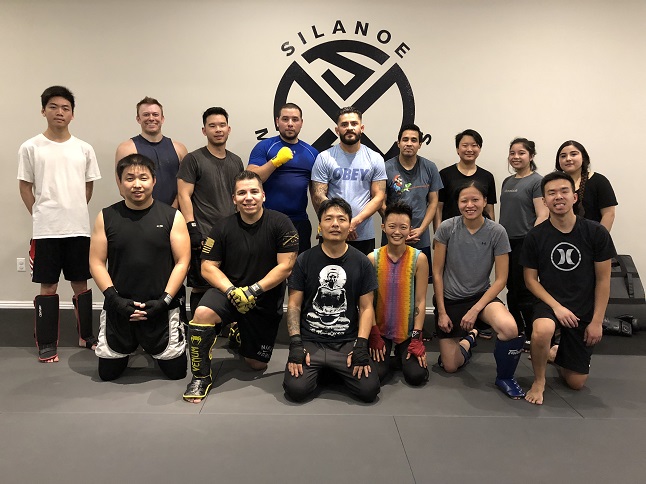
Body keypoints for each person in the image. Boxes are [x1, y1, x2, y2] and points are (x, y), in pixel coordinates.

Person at [183, 171, 299, 403]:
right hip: (230, 294)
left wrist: (253, 290)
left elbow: (286, 266)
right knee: (202, 313)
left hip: (264, 299)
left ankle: (238, 332)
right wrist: (231, 291)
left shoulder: (281, 223)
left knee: (257, 365)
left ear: (263, 195)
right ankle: (200, 377)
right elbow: (207, 267)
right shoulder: (222, 227)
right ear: (234, 199)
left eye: (254, 191)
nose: (249, 197)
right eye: (242, 193)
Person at [18, 86, 102, 362]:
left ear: (72, 114)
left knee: (81, 283)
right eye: (53, 107)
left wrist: (73, 210)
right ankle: (46, 343)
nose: (59, 112)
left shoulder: (84, 148)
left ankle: (86, 336)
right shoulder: (31, 147)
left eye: (65, 108)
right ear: (43, 110)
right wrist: (40, 214)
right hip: (46, 230)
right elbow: (25, 187)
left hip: (77, 227)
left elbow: (87, 188)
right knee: (48, 287)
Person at [89, 154, 190, 381]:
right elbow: (96, 263)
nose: (137, 184)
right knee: (108, 374)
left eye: (143, 178)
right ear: (120, 182)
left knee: (176, 374)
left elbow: (182, 262)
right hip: (119, 307)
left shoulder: (172, 216)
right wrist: (115, 300)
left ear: (153, 181)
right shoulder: (106, 217)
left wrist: (164, 301)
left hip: (161, 307)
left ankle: (157, 346)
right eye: (129, 178)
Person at [521, 172, 615, 405]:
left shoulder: (596, 233)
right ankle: (539, 380)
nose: (558, 197)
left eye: (564, 191)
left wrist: (596, 321)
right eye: (551, 193)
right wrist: (557, 307)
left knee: (576, 383)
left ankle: (556, 353)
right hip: (550, 303)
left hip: (583, 306)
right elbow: (530, 280)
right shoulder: (536, 236)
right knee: (542, 330)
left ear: (574, 197)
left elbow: (603, 280)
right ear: (544, 201)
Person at [433, 181, 525, 399]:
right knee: (450, 366)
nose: (470, 205)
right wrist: (443, 312)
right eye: (464, 200)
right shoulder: (447, 227)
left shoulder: (497, 232)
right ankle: (470, 338)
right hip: (451, 300)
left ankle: (504, 377)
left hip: (481, 299)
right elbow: (437, 273)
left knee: (510, 328)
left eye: (475, 199)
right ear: (458, 203)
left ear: (485, 201)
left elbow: (501, 279)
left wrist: (476, 309)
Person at [283, 198, 381, 403]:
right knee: (296, 390)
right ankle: (327, 370)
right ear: (320, 225)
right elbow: (294, 305)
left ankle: (330, 370)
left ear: (349, 225)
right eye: (329, 219)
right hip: (311, 341)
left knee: (369, 390)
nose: (335, 224)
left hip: (346, 341)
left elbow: (366, 308)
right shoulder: (304, 260)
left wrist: (361, 345)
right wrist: (295, 343)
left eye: (341, 219)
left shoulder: (362, 262)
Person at [177, 107, 243, 314]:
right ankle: (199, 327)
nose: (218, 130)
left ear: (229, 129)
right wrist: (192, 228)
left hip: (231, 233)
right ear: (204, 130)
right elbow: (183, 195)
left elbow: (239, 197)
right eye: (212, 126)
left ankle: (228, 326)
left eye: (222, 125)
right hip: (204, 233)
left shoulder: (236, 161)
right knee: (201, 283)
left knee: (230, 281)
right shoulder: (193, 159)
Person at [435, 129, 497, 339]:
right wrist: (438, 235)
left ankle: (479, 316)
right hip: (450, 236)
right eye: (465, 145)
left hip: (479, 235)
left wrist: (491, 236)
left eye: (474, 145)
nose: (469, 149)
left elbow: (490, 211)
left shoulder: (487, 176)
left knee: (478, 275)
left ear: (479, 148)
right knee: (448, 276)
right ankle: (445, 312)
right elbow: (438, 207)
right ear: (457, 149)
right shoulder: (445, 174)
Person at [368, 202, 429, 386]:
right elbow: (367, 304)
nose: (397, 232)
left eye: (403, 227)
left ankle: (398, 359)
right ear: (383, 227)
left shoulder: (419, 259)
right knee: (376, 375)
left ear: (410, 229)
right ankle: (390, 360)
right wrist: (373, 334)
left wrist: (417, 336)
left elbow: (420, 300)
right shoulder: (373, 258)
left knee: (416, 376)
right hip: (380, 330)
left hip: (408, 331)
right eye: (392, 226)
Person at [311, 106, 387, 255]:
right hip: (332, 232)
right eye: (344, 124)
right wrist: (342, 223)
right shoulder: (325, 158)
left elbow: (378, 197)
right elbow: (318, 195)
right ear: (337, 130)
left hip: (363, 234)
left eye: (354, 124)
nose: (349, 128)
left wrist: (354, 223)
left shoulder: (375, 158)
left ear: (362, 127)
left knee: (362, 277)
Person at [248, 102, 319, 254]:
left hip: (299, 222)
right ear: (277, 121)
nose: (290, 124)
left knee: (298, 271)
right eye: (285, 119)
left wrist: (322, 219)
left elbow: (316, 193)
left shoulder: (312, 152)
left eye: (295, 119)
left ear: (301, 123)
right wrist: (275, 162)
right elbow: (250, 181)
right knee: (267, 269)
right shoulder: (265, 146)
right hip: (266, 220)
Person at [499, 138, 549, 342]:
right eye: (512, 153)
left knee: (526, 288)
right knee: (510, 287)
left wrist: (531, 242)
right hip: (505, 242)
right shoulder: (507, 181)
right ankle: (516, 328)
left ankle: (532, 332)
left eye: (521, 153)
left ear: (531, 156)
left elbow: (542, 214)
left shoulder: (537, 181)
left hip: (524, 242)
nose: (516, 157)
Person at [383, 124, 442, 277]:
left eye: (414, 140)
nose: (409, 143)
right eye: (405, 139)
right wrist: (397, 228)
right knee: (390, 283)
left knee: (419, 284)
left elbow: (433, 202)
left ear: (420, 144)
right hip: (393, 237)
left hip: (420, 238)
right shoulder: (386, 168)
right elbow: (380, 203)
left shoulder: (430, 167)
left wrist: (421, 229)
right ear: (398, 143)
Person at [115, 96, 188, 207]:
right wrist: (152, 212)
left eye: (155, 114)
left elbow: (186, 187)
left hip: (175, 213)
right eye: (146, 115)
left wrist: (171, 210)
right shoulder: (126, 149)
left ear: (162, 118)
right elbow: (123, 189)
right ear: (138, 119)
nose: (151, 118)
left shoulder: (179, 149)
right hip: (141, 215)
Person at [554, 140, 617, 232]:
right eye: (563, 156)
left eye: (573, 154)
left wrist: (600, 239)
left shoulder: (599, 181)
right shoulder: (552, 183)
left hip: (592, 238)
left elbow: (609, 214)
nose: (568, 159)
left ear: (583, 157)